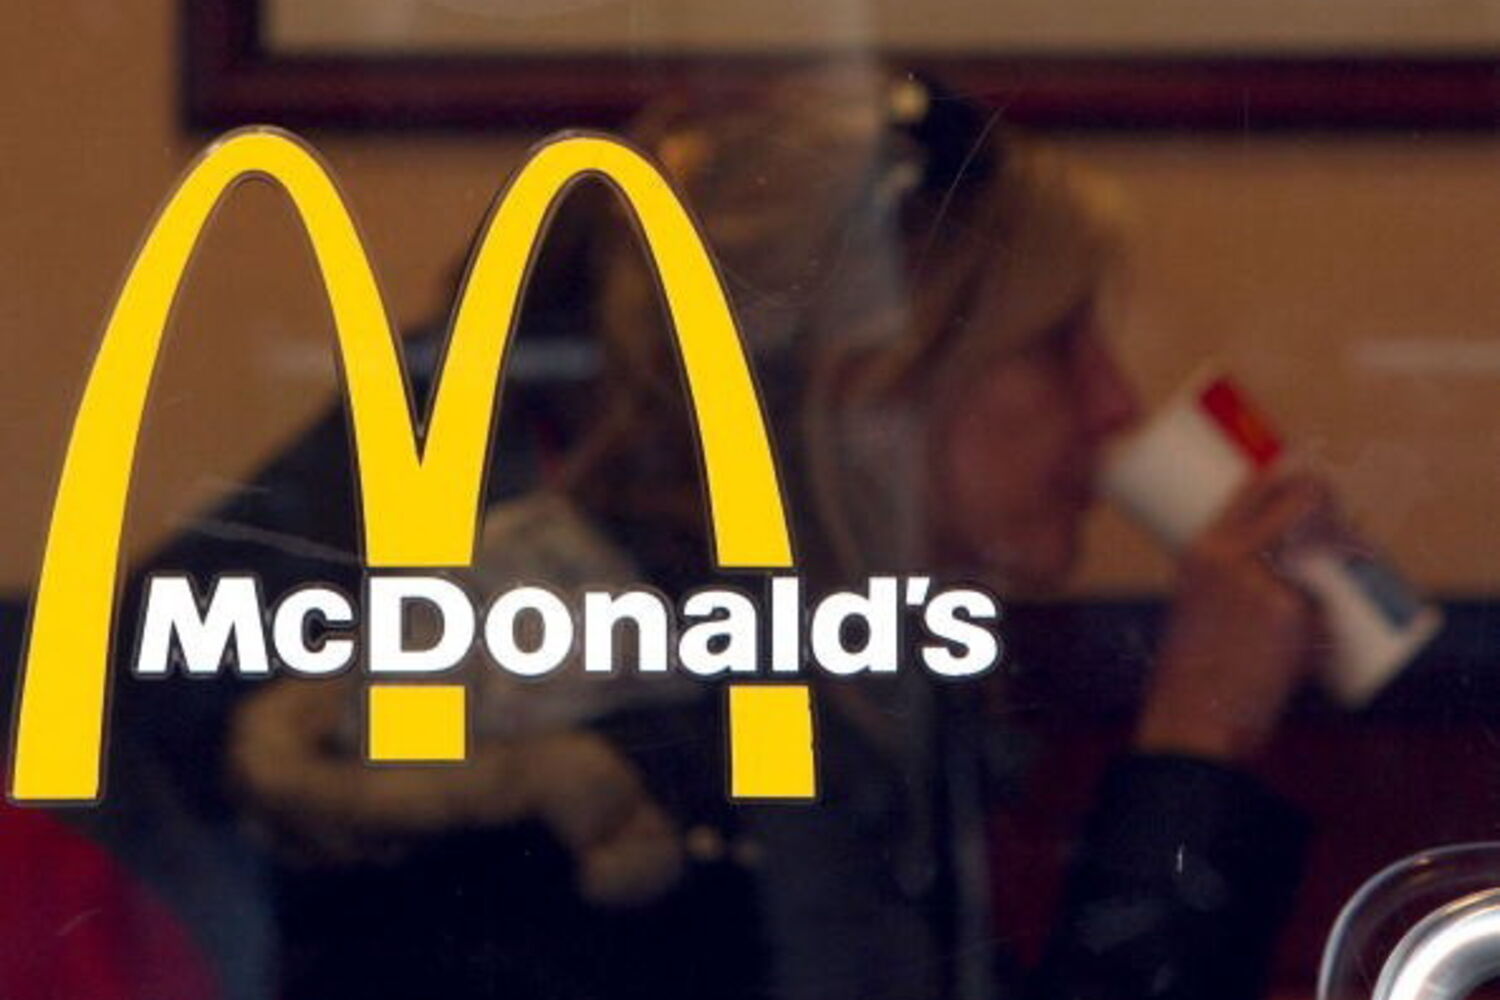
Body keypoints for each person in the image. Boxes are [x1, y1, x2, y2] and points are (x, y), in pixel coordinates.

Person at [229, 68, 1329, 1000]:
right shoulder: (606, 748)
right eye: (1056, 342)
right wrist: (1197, 742)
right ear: (870, 387)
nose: (1116, 406)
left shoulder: (823, 680)